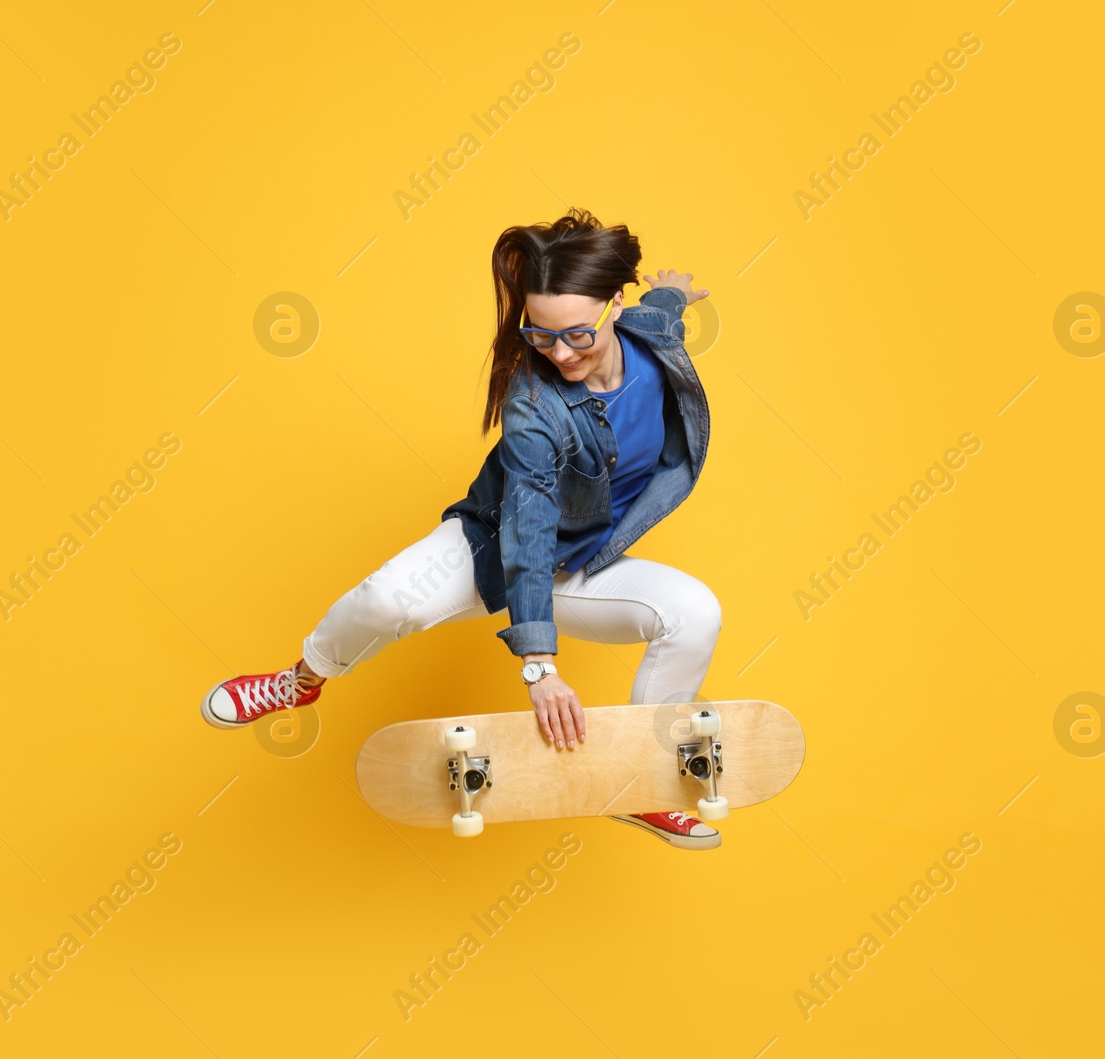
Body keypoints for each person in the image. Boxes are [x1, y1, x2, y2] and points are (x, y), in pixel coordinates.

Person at [202, 208, 723, 850]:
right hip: (493, 547)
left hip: (587, 561)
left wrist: (673, 289)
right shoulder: (534, 407)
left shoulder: (651, 334)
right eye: (540, 336)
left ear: (618, 305)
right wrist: (539, 666)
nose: (560, 354)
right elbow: (527, 530)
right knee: (384, 600)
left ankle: (640, 782)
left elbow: (662, 308)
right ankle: (299, 681)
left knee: (695, 611)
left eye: (579, 336)